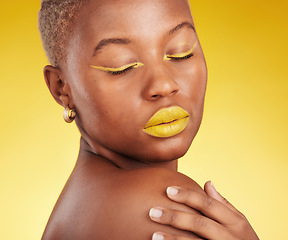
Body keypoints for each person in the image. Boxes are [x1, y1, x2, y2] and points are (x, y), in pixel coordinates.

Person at [39, 0, 259, 239]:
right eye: (121, 67)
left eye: (180, 53)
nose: (164, 85)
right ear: (61, 88)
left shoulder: (79, 203)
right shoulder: (161, 207)